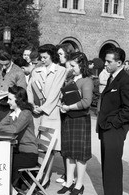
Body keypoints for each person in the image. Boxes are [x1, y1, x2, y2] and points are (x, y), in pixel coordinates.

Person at [0, 85, 38, 195]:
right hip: (18, 151)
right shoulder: (13, 112)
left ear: (18, 100)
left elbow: (15, 129)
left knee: (4, 165)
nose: (8, 102)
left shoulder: (26, 113)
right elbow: (1, 124)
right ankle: (2, 193)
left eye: (10, 99)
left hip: (29, 154)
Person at [94, 47, 129, 195]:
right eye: (105, 60)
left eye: (109, 61)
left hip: (115, 128)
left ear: (119, 63)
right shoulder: (114, 77)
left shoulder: (125, 80)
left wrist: (114, 123)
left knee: (112, 162)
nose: (105, 64)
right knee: (107, 160)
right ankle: (110, 192)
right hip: (108, 126)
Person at [57, 52, 93, 195]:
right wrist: (62, 104)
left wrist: (69, 107)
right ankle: (69, 182)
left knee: (80, 154)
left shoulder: (86, 81)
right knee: (68, 152)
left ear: (82, 65)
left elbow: (86, 102)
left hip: (80, 119)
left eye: (73, 65)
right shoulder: (71, 79)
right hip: (69, 118)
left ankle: (79, 184)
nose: (71, 68)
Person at [27, 44, 66, 151]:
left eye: (45, 57)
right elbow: (29, 90)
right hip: (36, 113)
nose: (42, 60)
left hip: (51, 112)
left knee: (48, 147)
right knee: (35, 145)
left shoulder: (61, 70)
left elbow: (55, 92)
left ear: (52, 56)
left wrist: (43, 108)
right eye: (41, 57)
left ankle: (46, 168)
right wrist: (32, 106)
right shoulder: (36, 71)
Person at [0, 50, 27, 124]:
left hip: (12, 109)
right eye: (1, 64)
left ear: (11, 60)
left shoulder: (18, 72)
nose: (4, 67)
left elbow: (22, 92)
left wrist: (9, 94)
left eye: (7, 64)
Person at [55, 43, 75, 184]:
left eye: (61, 54)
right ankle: (66, 172)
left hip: (69, 110)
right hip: (61, 109)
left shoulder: (70, 71)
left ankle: (70, 175)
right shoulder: (62, 69)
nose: (59, 56)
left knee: (68, 143)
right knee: (63, 143)